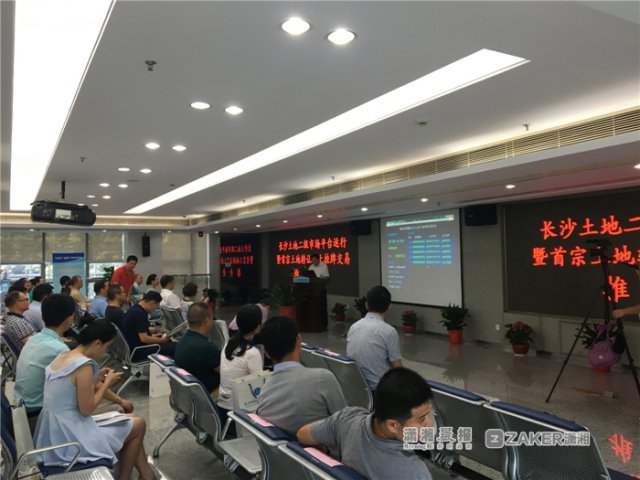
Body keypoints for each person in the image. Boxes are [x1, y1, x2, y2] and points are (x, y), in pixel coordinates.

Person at [34, 320, 156, 480]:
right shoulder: (83, 365)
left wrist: (96, 378)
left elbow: (69, 388)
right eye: (107, 346)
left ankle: (146, 474)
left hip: (53, 429)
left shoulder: (63, 355)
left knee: (132, 420)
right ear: (97, 342)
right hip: (70, 435)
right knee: (139, 424)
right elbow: (87, 410)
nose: (106, 350)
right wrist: (107, 383)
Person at [297, 367, 434, 480]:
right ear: (392, 425)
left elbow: (302, 435)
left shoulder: (346, 419)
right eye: (421, 418)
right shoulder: (414, 472)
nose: (429, 423)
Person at [15, 295, 132, 425]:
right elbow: (88, 398)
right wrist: (119, 399)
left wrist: (95, 377)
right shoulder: (61, 350)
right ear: (70, 319)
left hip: (22, 408)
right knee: (119, 411)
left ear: (42, 316)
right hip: (40, 415)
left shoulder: (34, 339)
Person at [256, 316, 347, 436]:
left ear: (266, 353)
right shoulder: (323, 379)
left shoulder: (264, 394)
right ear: (298, 340)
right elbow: (345, 424)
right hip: (325, 446)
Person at [347, 285, 402, 392]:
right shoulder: (389, 332)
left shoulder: (354, 327)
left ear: (366, 305)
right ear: (389, 307)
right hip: (379, 392)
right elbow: (398, 368)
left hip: (356, 389)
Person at [218, 304, 263, 423]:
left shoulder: (228, 345)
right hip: (240, 414)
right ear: (258, 326)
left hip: (223, 408)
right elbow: (259, 388)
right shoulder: (252, 353)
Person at [174, 302, 222, 398]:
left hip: (190, 394)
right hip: (208, 395)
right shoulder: (206, 347)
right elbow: (226, 373)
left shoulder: (182, 340)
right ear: (207, 320)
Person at [120, 290, 176, 360]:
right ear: (152, 303)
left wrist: (155, 336)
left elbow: (138, 333)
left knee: (169, 342)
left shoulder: (135, 309)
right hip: (138, 351)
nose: (155, 310)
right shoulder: (139, 314)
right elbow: (144, 339)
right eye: (156, 307)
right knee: (175, 346)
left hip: (132, 346)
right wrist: (162, 340)